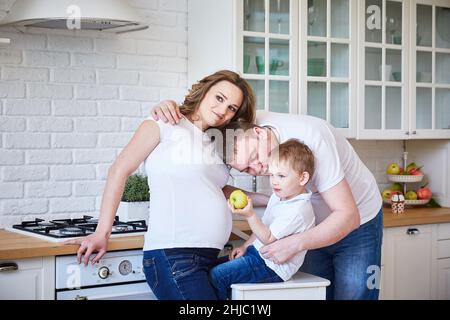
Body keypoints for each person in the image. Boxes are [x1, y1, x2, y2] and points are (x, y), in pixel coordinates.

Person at [150, 104, 383, 300]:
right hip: (309, 227)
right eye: (247, 169)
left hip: (358, 220)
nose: (258, 170)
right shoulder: (240, 129)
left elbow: (347, 216)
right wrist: (170, 108)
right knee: (316, 294)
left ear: (260, 133)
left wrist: (295, 244)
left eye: (255, 159)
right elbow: (202, 116)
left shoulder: (311, 138)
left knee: (355, 295)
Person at [64, 70, 262, 300]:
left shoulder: (215, 141)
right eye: (219, 98)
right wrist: (102, 231)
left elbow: (214, 189)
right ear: (204, 91)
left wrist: (271, 198)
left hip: (210, 256)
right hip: (175, 256)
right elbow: (119, 170)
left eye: (232, 108)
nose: (222, 110)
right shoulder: (165, 123)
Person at [209, 139, 316, 300]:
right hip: (258, 254)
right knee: (210, 268)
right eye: (271, 175)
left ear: (302, 178)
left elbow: (267, 237)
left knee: (218, 275)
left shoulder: (298, 210)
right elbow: (265, 225)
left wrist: (250, 215)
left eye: (281, 175)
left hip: (272, 267)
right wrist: (245, 246)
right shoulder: (279, 196)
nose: (274, 181)